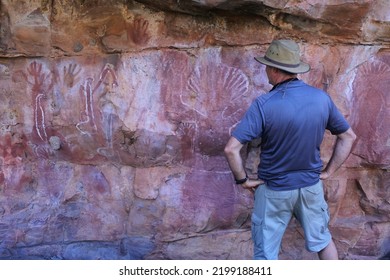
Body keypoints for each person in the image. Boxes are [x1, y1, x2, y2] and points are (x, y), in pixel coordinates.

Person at [224, 39, 356, 260]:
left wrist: (243, 180)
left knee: (266, 256)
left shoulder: (264, 104)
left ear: (275, 69)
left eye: (267, 65)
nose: (265, 69)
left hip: (274, 189)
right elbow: (348, 136)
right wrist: (329, 172)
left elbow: (231, 149)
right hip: (311, 187)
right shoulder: (321, 98)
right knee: (324, 242)